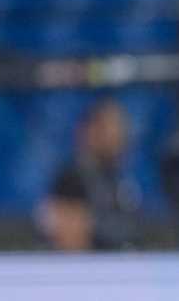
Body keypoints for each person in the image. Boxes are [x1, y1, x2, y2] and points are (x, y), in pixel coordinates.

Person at [37, 97, 143, 251]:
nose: (118, 135)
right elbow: (69, 239)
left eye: (121, 128)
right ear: (91, 132)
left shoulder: (118, 177)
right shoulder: (72, 177)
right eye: (111, 128)